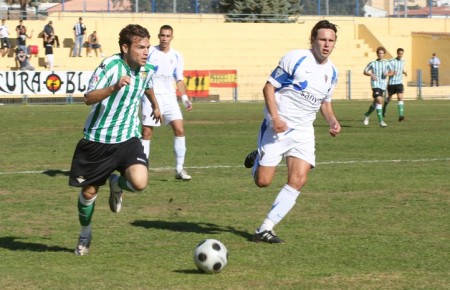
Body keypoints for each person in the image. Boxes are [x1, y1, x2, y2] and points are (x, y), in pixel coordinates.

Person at [243, 20, 341, 244]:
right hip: (279, 126)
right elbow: (269, 87)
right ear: (313, 40)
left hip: (304, 131)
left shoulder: (332, 72)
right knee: (263, 181)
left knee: (299, 179)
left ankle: (265, 228)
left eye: (331, 40)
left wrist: (332, 121)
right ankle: (258, 157)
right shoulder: (295, 58)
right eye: (322, 39)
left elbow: (324, 103)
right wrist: (276, 118)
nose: (326, 45)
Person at [68, 24, 160, 256]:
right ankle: (85, 232)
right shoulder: (110, 66)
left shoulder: (147, 69)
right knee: (89, 193)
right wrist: (114, 86)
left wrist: (156, 105)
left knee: (140, 182)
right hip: (98, 140)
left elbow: (147, 86)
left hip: (128, 138)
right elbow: (88, 98)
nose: (146, 52)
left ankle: (116, 184)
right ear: (125, 47)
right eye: (140, 47)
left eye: (147, 47)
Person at [141, 24, 193, 181]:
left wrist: (184, 98)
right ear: (158, 36)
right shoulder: (150, 52)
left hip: (170, 98)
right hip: (151, 96)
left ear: (171, 38)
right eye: (162, 35)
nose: (164, 38)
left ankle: (179, 169)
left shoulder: (177, 55)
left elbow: (179, 78)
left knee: (179, 129)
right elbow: (142, 72)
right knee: (147, 132)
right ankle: (142, 168)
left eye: (167, 36)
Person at [362, 46, 393, 127]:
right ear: (377, 54)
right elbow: (365, 71)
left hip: (383, 85)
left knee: (376, 102)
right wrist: (371, 74)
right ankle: (381, 121)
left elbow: (392, 72)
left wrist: (388, 74)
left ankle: (367, 115)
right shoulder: (373, 63)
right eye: (379, 53)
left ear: (384, 54)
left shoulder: (387, 62)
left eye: (382, 53)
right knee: (379, 100)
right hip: (375, 84)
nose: (380, 55)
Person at [384, 48, 407, 122]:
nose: (400, 55)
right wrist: (389, 73)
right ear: (397, 53)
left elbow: (401, 69)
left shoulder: (403, 61)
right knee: (389, 98)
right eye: (399, 53)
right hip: (391, 83)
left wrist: (404, 72)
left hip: (399, 82)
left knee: (400, 97)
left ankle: (401, 115)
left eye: (401, 53)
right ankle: (384, 107)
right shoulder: (391, 61)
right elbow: (387, 70)